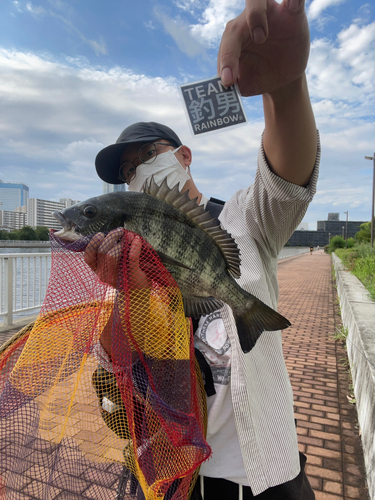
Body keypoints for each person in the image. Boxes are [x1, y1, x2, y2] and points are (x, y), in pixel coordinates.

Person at [87, 0, 319, 498]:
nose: (138, 175)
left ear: (182, 156)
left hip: (267, 474)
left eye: (146, 158)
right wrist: (129, 297)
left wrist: (286, 87)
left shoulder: (244, 218)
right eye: (128, 173)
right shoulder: (125, 255)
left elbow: (288, 177)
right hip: (179, 476)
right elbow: (118, 411)